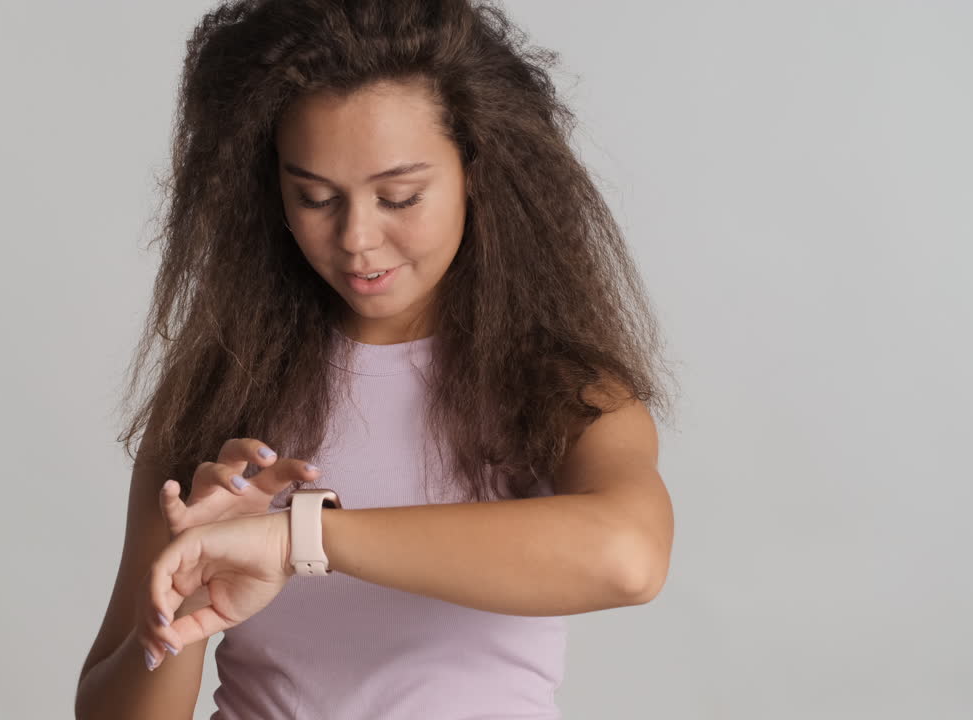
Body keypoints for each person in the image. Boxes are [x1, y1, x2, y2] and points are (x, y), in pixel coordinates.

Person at [74, 1, 677, 718]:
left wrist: (300, 538)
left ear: (476, 171)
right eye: (315, 197)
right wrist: (188, 599)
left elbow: (629, 559)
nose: (357, 238)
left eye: (399, 197)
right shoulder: (223, 387)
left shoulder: (556, 389)